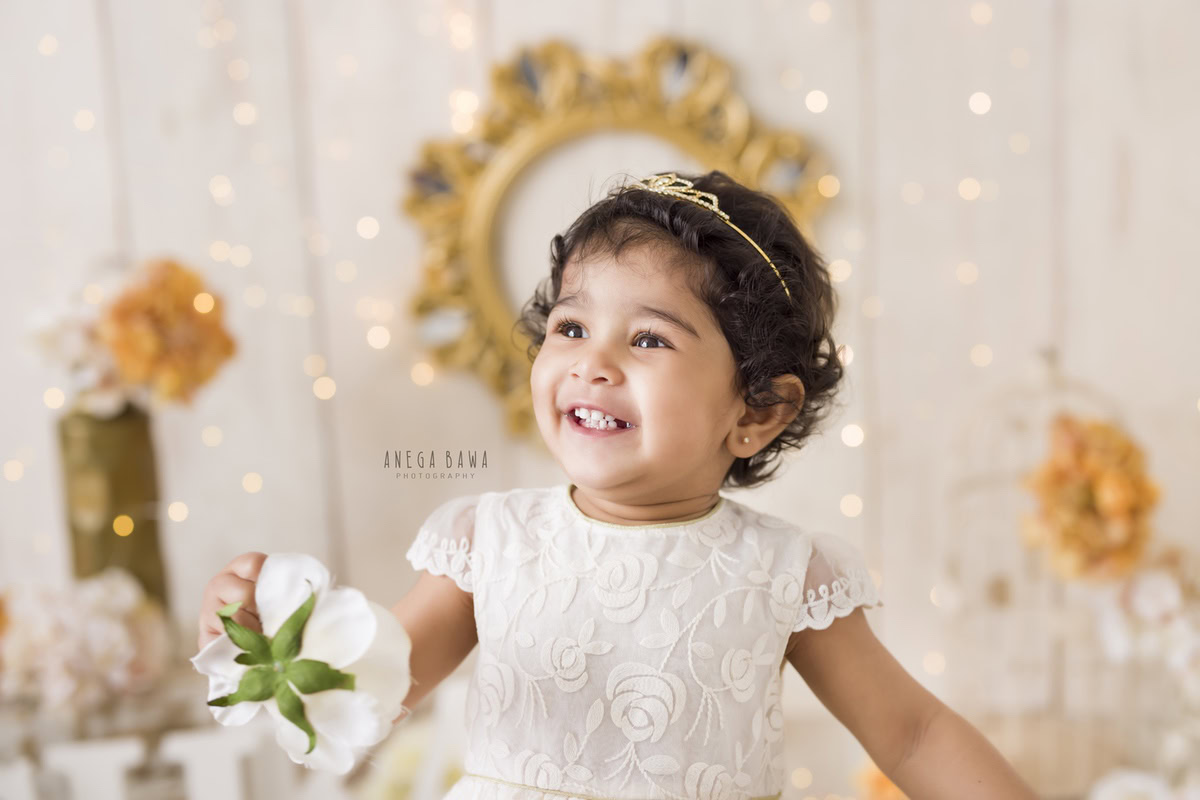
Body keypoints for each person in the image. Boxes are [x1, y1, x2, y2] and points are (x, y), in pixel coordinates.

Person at [198, 171, 1039, 799]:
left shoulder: (786, 573)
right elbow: (381, 679)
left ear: (756, 410)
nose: (591, 363)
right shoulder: (488, 543)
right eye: (571, 325)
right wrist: (269, 636)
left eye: (649, 340)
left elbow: (916, 733)